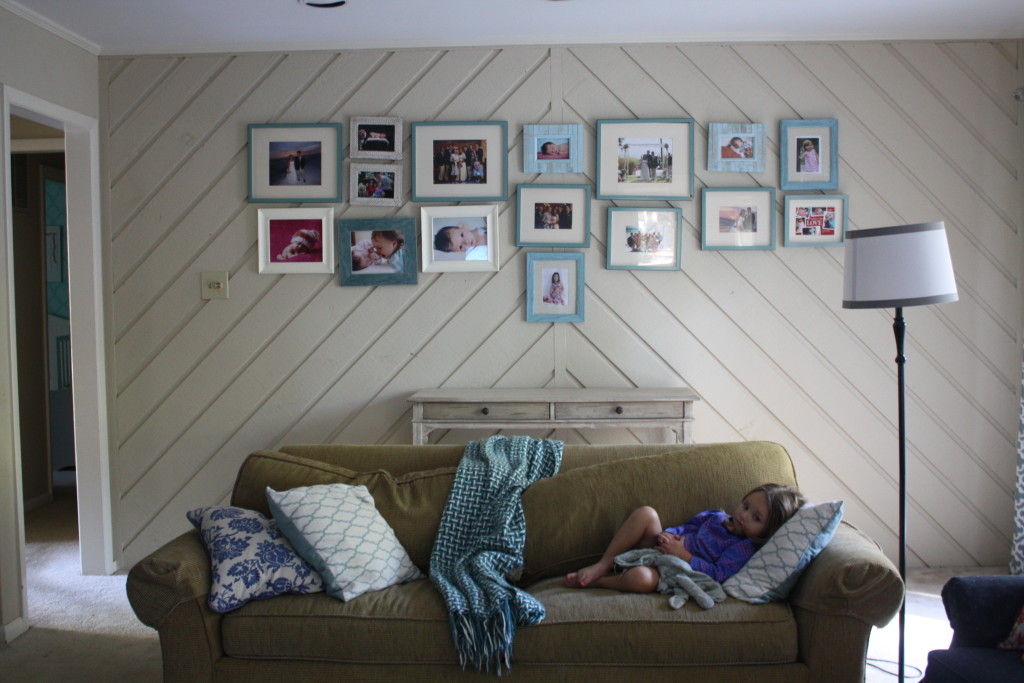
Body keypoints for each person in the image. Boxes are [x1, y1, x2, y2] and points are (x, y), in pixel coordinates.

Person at [564, 483, 806, 591]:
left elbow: (718, 574)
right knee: (647, 514)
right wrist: (670, 534)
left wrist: (685, 555)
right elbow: (686, 528)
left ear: (768, 532)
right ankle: (603, 565)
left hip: (675, 572)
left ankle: (598, 583)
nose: (743, 515)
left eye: (756, 518)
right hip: (659, 551)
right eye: (745, 506)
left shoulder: (742, 548)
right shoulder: (715, 517)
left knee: (641, 579)